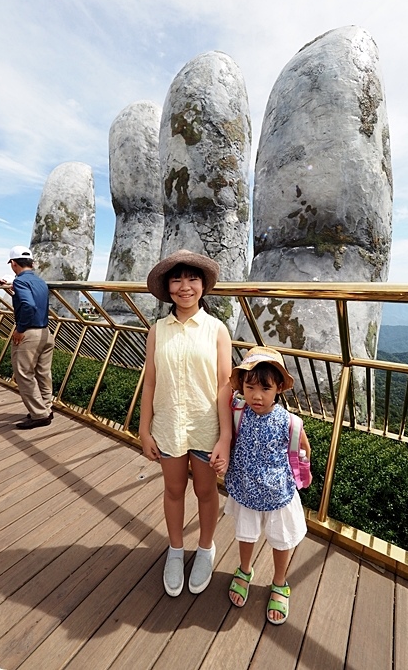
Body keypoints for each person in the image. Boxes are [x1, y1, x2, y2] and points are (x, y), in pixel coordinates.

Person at [138, 249, 232, 597]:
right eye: (176, 279)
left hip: (206, 427)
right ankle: (176, 550)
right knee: (174, 490)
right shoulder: (157, 330)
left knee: (206, 492)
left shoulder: (216, 330)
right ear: (168, 287)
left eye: (192, 278)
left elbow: (226, 384)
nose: (184, 286)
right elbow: (150, 380)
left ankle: (206, 548)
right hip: (168, 425)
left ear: (203, 285)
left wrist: (225, 437)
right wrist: (144, 428)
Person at [224, 346, 311, 625]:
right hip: (246, 490)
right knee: (246, 535)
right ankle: (245, 569)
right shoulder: (239, 411)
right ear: (242, 388)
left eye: (265, 388)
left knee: (281, 540)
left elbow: (303, 447)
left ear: (278, 390)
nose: (256, 395)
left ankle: (279, 582)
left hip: (278, 495)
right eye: (249, 387)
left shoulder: (288, 421)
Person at [8, 245, 55, 429]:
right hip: (46, 332)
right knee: (43, 374)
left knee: (23, 374)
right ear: (31, 263)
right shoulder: (40, 282)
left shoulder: (20, 281)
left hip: (29, 334)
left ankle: (39, 415)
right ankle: (46, 408)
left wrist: (20, 329)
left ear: (13, 264)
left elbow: (28, 305)